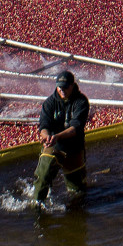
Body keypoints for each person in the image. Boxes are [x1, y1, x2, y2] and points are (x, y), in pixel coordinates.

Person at [32, 70, 91, 203]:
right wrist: (46, 136)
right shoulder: (49, 103)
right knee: (43, 176)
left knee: (78, 193)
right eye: (60, 87)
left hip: (74, 148)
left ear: (72, 86)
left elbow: (75, 128)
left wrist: (57, 136)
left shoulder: (81, 102)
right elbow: (44, 126)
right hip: (54, 145)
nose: (62, 90)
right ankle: (37, 205)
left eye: (65, 87)